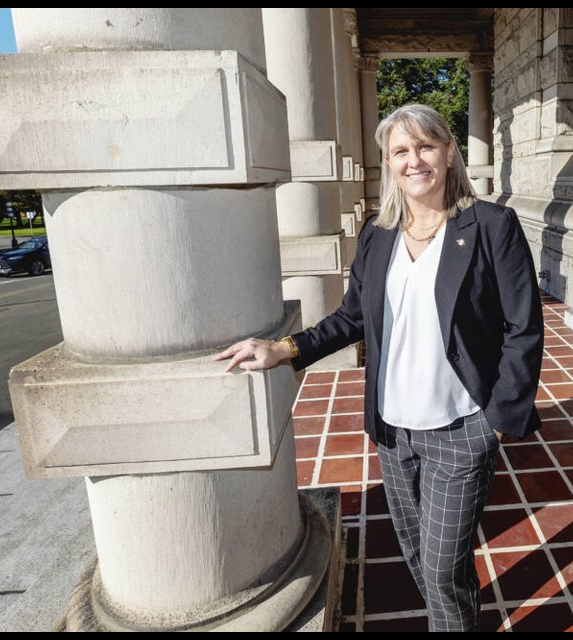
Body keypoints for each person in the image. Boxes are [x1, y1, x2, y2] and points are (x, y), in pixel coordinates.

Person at [214, 103, 543, 632]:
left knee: (442, 568)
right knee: (416, 552)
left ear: (449, 150)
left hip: (461, 428)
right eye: (400, 151)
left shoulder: (490, 226)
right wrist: (284, 350)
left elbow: (523, 327)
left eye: (425, 146)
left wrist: (498, 419)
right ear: (389, 163)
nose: (415, 160)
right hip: (392, 429)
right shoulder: (378, 233)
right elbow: (350, 318)